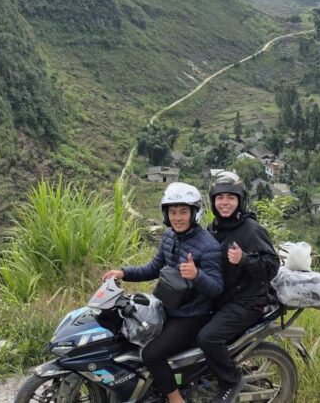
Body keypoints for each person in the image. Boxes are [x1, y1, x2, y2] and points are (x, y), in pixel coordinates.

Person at [102, 182, 223, 403]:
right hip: (167, 307)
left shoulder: (208, 246)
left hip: (191, 317)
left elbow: (216, 287)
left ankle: (176, 399)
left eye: (183, 212)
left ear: (195, 213)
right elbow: (153, 268)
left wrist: (196, 275)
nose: (177, 217)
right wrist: (123, 272)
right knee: (126, 335)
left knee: (151, 354)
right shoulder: (170, 236)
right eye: (173, 212)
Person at [198, 171, 279, 403]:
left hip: (248, 301)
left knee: (208, 338)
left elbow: (272, 265)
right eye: (220, 197)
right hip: (223, 297)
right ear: (213, 200)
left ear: (240, 200)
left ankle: (229, 382)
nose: (225, 203)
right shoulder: (213, 228)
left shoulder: (250, 229)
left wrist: (243, 259)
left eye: (231, 198)